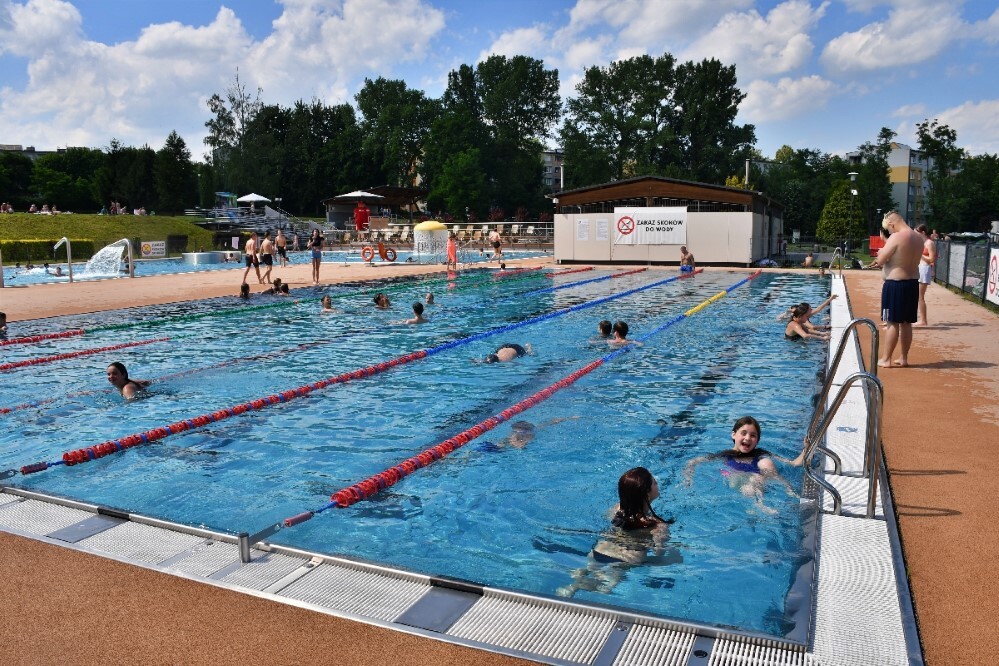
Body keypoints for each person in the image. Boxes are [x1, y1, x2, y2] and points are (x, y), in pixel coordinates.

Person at [556, 467, 674, 598]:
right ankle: (578, 585)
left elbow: (610, 523)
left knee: (591, 570)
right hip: (623, 561)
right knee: (605, 589)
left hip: (599, 551)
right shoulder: (657, 525)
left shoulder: (617, 508)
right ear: (647, 493)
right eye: (655, 483)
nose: (657, 484)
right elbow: (659, 552)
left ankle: (576, 582)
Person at [683, 416, 797, 515]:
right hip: (739, 483)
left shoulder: (760, 454)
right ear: (733, 435)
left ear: (757, 440)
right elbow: (693, 462)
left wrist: (807, 449)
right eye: (743, 433)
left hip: (761, 483)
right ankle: (759, 506)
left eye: (753, 435)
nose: (747, 438)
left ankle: (790, 492)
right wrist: (688, 480)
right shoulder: (726, 455)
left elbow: (793, 463)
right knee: (753, 482)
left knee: (766, 463)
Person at [870, 211, 923, 367]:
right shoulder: (918, 238)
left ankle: (886, 359)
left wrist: (881, 253)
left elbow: (881, 260)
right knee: (907, 323)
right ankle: (903, 358)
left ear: (891, 224)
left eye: (889, 229)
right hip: (912, 283)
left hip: (895, 284)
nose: (890, 232)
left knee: (892, 322)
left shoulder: (896, 236)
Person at [915, 224, 936, 327]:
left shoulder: (929, 243)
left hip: (924, 269)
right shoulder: (921, 243)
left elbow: (931, 259)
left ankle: (923, 320)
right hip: (919, 268)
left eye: (917, 233)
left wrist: (920, 254)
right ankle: (921, 319)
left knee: (920, 297)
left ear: (923, 233)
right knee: (916, 296)